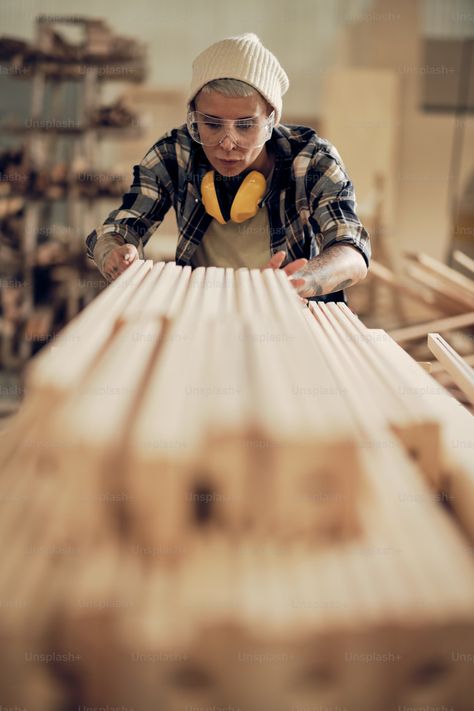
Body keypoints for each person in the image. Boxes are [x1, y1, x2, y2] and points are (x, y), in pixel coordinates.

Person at [85, 33, 370, 302]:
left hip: (290, 314)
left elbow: (352, 252)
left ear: (270, 121)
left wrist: (299, 282)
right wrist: (112, 253)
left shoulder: (312, 159)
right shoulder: (175, 153)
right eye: (211, 124)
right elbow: (118, 228)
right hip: (201, 310)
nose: (227, 144)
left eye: (245, 125)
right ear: (193, 118)